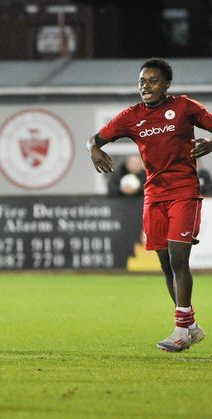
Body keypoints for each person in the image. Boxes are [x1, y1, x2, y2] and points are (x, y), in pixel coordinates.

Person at [87, 58, 212, 352]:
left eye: (153, 81)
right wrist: (93, 150)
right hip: (153, 195)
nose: (146, 86)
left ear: (167, 84)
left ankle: (181, 330)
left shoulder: (184, 107)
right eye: (142, 81)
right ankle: (191, 326)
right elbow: (94, 139)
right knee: (166, 265)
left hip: (184, 191)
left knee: (179, 260)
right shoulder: (132, 116)